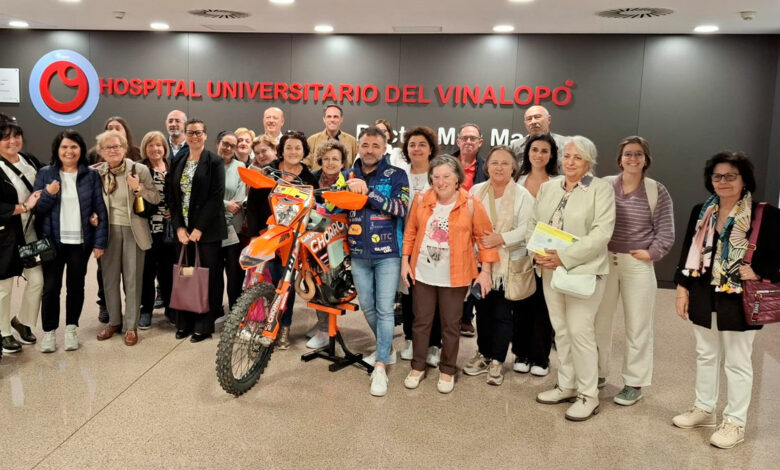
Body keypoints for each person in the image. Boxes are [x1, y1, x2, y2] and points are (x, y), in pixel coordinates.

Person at [672, 152, 780, 449]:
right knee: (705, 353)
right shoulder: (702, 210)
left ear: (745, 180)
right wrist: (682, 289)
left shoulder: (765, 214)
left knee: (737, 361)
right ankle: (704, 409)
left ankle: (735, 422)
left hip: (740, 296)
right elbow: (688, 250)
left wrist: (760, 271)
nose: (723, 181)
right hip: (702, 291)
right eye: (717, 176)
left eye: (731, 176)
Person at [531, 136, 615, 421]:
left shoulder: (600, 189)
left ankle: (588, 395)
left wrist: (564, 257)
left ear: (589, 162)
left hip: (584, 270)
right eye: (567, 156)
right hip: (549, 269)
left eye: (577, 157)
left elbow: (601, 233)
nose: (570, 162)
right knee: (562, 331)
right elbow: (533, 223)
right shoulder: (549, 187)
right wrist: (537, 251)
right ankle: (567, 385)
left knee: (580, 331)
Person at [401, 155, 497, 394]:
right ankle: (417, 366)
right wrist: (405, 262)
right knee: (421, 321)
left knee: (451, 325)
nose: (440, 181)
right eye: (436, 177)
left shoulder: (471, 203)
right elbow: (410, 232)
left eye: (446, 176)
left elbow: (485, 239)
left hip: (455, 276)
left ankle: (447, 369)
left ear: (457, 179)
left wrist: (485, 271)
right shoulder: (421, 200)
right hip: (422, 272)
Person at [594, 136, 675, 405]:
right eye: (628, 154)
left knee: (638, 326)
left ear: (646, 159)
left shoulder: (656, 190)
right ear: (620, 159)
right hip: (605, 261)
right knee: (599, 321)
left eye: (638, 154)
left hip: (637, 264)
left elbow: (666, 230)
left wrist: (651, 253)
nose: (633, 158)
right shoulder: (605, 185)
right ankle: (597, 373)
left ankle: (634, 383)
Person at [344, 126, 409, 397]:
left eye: (375, 145)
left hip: (388, 254)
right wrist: (343, 190)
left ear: (384, 149)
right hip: (358, 253)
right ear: (358, 147)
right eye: (365, 145)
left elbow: (401, 207)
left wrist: (368, 193)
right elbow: (334, 207)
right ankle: (387, 348)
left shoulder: (397, 174)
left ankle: (380, 365)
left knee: (384, 309)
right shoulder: (347, 175)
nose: (369, 150)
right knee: (368, 307)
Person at [463, 146, 534, 385]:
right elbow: (467, 222)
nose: (499, 167)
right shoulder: (476, 190)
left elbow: (528, 228)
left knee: (503, 315)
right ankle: (483, 354)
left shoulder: (523, 195)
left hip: (508, 266)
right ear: (487, 166)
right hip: (479, 262)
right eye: (494, 163)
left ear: (513, 168)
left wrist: (500, 238)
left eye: (505, 163)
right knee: (482, 312)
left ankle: (497, 359)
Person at [34, 130, 107, 353]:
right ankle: (49, 332)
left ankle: (71, 329)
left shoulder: (90, 175)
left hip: (80, 243)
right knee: (51, 288)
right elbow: (37, 210)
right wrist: (49, 194)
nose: (69, 151)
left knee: (76, 287)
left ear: (81, 150)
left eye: (74, 147)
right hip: (52, 242)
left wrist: (100, 242)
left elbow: (100, 210)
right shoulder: (46, 173)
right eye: (64, 147)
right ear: (57, 150)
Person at [95, 130, 160, 346]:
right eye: (108, 147)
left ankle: (131, 326)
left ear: (124, 148)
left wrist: (138, 188)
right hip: (108, 232)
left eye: (117, 146)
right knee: (109, 279)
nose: (113, 150)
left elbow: (155, 197)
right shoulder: (98, 173)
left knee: (133, 280)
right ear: (101, 151)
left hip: (134, 231)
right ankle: (114, 321)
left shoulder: (139, 169)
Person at [167, 119, 227, 342]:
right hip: (183, 232)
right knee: (185, 275)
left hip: (207, 232)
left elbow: (216, 197)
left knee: (206, 278)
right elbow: (171, 197)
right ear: (185, 134)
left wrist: (199, 228)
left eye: (198, 132)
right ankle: (184, 322)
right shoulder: (178, 159)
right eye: (190, 132)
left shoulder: (215, 161)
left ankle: (204, 324)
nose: (194, 136)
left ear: (205, 135)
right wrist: (179, 227)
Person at [511, 133, 560, 376]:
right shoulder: (516, 181)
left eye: (544, 151)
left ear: (551, 156)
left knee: (544, 305)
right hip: (520, 251)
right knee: (521, 304)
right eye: (534, 150)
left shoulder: (559, 182)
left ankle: (541, 357)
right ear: (527, 153)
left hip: (546, 253)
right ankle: (521, 353)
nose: (538, 155)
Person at [266, 130, 317, 349]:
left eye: (298, 148)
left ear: (304, 151)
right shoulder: (270, 171)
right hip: (268, 235)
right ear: (281, 150)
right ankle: (266, 325)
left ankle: (283, 328)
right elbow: (256, 202)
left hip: (294, 240)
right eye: (289, 147)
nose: (293, 152)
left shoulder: (309, 177)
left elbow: (315, 207)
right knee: (267, 282)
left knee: (285, 283)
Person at [396, 126, 442, 366]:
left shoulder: (439, 175)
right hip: (403, 243)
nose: (417, 149)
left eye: (422, 144)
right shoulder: (399, 174)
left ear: (431, 149)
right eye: (412, 145)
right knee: (408, 293)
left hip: (432, 244)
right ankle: (410, 339)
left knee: (432, 294)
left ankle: (434, 344)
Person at [0, 119, 44, 354]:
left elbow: (50, 175)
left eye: (16, 136)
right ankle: (3, 332)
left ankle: (23, 321)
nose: (12, 141)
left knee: (37, 280)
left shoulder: (29, 160)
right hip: (5, 239)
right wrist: (24, 207)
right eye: (5, 137)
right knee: (4, 287)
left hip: (30, 234)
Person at [305, 140, 348, 350]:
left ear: (343, 162)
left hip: (337, 238)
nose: (330, 163)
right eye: (327, 158)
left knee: (327, 282)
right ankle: (322, 323)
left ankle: (325, 329)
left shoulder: (348, 180)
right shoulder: (312, 177)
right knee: (311, 280)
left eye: (335, 159)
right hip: (311, 237)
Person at [454, 123, 487, 336]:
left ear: (480, 142)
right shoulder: (446, 163)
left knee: (473, 271)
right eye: (464, 138)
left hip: (474, 226)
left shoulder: (487, 168)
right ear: (458, 141)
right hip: (447, 226)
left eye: (472, 138)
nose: (468, 142)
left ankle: (466, 317)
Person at [138, 131, 173, 328]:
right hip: (147, 228)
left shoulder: (172, 167)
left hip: (169, 230)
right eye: (150, 145)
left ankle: (170, 307)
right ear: (145, 148)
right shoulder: (140, 169)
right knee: (147, 273)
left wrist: (174, 211)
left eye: (158, 145)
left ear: (164, 148)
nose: (155, 149)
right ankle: (146, 310)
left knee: (168, 272)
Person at [216, 131, 246, 313]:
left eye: (232, 146)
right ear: (217, 143)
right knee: (214, 272)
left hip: (233, 229)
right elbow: (206, 196)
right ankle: (215, 309)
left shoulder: (241, 166)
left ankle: (235, 310)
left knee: (235, 273)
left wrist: (226, 217)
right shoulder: (208, 164)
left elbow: (239, 201)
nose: (228, 148)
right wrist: (225, 205)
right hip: (212, 228)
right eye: (225, 144)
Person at [305, 105, 358, 170]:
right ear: (324, 119)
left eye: (335, 117)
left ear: (341, 119)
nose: (332, 120)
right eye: (329, 116)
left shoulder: (352, 141)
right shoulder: (312, 140)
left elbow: (355, 167)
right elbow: (306, 166)